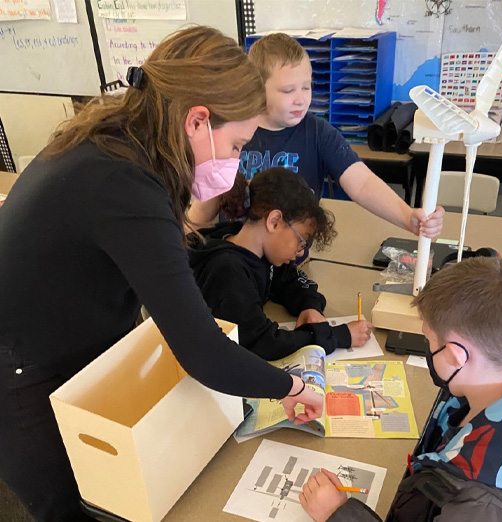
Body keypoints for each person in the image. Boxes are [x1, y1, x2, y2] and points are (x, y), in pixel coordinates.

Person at [0, 27, 322, 522]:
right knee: (78, 502)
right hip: (19, 364)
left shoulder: (121, 143)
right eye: (237, 146)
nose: (236, 166)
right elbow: (202, 351)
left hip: (68, 334)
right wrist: (291, 387)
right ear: (197, 120)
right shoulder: (124, 183)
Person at [299, 257, 502, 522]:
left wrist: (337, 514)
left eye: (429, 340)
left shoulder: (481, 506)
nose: (428, 349)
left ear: (455, 357)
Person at [187, 33, 445, 245]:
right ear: (256, 88)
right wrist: (181, 243)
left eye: (307, 86)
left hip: (291, 263)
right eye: (288, 90)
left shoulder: (318, 133)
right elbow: (206, 205)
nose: (301, 98)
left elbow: (362, 183)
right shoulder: (234, 131)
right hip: (235, 259)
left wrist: (408, 216)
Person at [188, 167, 373, 360]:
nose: (301, 251)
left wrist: (309, 306)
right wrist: (339, 336)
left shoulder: (259, 252)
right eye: (301, 240)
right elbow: (263, 343)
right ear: (274, 221)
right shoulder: (228, 271)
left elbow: (291, 280)